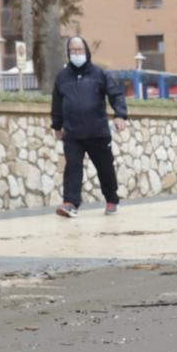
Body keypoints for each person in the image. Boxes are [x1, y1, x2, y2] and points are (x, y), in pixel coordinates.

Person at [49, 35, 125, 217]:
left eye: (79, 50)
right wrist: (57, 126)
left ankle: (111, 200)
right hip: (72, 133)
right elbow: (57, 103)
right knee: (72, 168)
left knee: (105, 168)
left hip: (97, 131)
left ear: (86, 51)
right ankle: (70, 203)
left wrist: (120, 115)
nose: (76, 53)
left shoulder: (100, 74)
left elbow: (116, 94)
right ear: (68, 53)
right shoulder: (62, 77)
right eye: (73, 50)